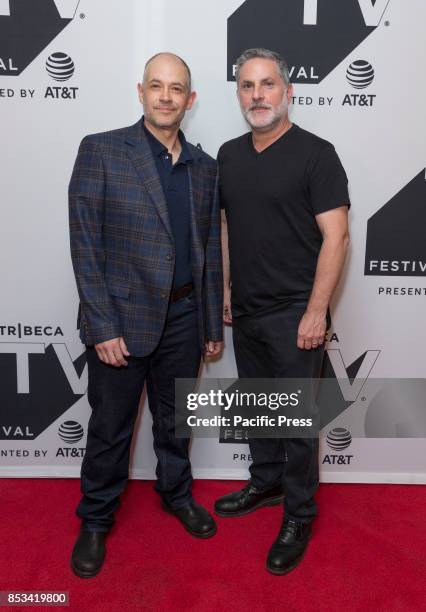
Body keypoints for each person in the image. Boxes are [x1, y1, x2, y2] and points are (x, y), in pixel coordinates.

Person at [68, 52, 223, 578]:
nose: (165, 96)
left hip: (184, 317)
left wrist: (208, 323)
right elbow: (85, 247)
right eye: (156, 86)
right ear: (141, 92)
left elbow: (208, 251)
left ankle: (176, 494)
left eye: (176, 88)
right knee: (110, 428)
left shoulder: (205, 167)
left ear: (190, 100)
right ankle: (94, 519)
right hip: (121, 321)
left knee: (176, 422)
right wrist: (103, 326)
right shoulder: (103, 150)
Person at [215, 48, 350, 575]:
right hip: (247, 308)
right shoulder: (228, 154)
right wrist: (227, 286)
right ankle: (266, 482)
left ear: (288, 91)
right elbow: (228, 227)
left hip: (297, 312)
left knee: (296, 423)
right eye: (248, 86)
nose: (258, 95)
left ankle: (299, 513)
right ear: (239, 95)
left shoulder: (317, 153)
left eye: (267, 84)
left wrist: (317, 312)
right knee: (258, 408)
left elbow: (336, 237)